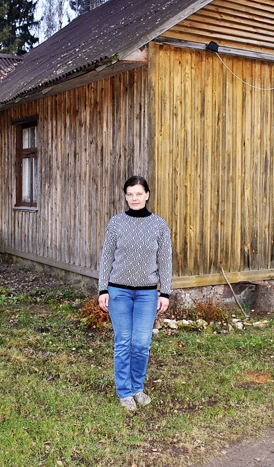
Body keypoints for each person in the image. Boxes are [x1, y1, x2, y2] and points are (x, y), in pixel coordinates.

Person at [98, 175, 172, 411]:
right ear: (126, 196)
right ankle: (124, 391)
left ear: (147, 195)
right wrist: (102, 289)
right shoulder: (116, 223)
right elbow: (106, 257)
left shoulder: (159, 225)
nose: (134, 198)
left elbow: (165, 260)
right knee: (123, 341)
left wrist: (165, 292)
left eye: (139, 193)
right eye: (130, 194)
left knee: (141, 343)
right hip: (118, 292)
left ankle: (137, 387)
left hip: (147, 295)